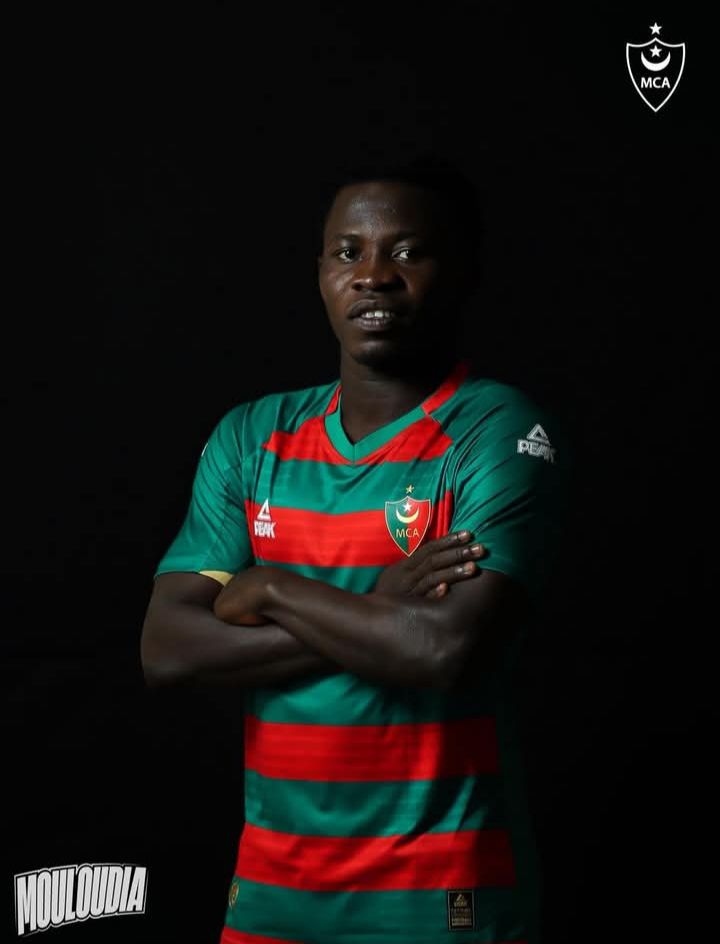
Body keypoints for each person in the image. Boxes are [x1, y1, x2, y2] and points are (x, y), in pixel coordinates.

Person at [140, 152, 571, 944]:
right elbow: (167, 648)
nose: (373, 275)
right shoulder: (253, 436)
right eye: (349, 252)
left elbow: (442, 649)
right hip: (273, 892)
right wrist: (375, 609)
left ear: (463, 274)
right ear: (321, 274)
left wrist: (272, 589)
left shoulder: (494, 430)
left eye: (407, 252)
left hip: (441, 897)